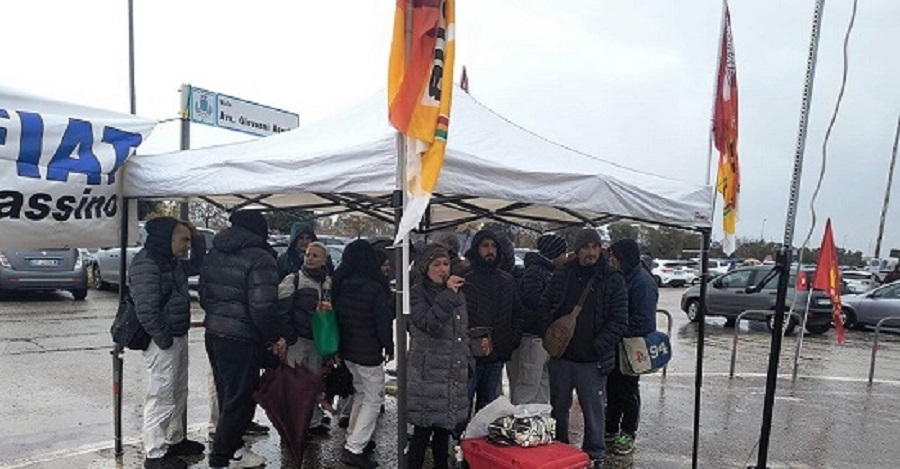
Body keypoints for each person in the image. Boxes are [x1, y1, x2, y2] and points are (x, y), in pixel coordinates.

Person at [201, 210, 287, 469]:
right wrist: (275, 337)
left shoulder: (213, 253)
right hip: (242, 337)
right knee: (240, 400)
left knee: (228, 395)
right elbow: (263, 307)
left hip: (214, 331)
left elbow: (204, 296)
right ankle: (219, 459)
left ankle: (235, 450)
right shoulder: (261, 257)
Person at [537, 229, 628, 467]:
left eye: (595, 247)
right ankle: (559, 449)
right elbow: (546, 304)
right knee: (558, 408)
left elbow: (619, 321)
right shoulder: (563, 274)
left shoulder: (612, 278)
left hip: (593, 360)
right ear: (577, 250)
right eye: (586, 247)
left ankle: (595, 454)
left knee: (594, 411)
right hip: (562, 357)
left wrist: (598, 346)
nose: (591, 252)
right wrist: (550, 332)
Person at [132, 217, 206, 469]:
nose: (187, 245)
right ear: (168, 238)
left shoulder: (170, 261)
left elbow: (197, 263)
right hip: (163, 339)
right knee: (160, 395)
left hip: (176, 335)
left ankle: (175, 440)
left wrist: (197, 238)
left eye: (188, 240)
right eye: (184, 239)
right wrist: (163, 339)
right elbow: (146, 309)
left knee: (177, 391)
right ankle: (155, 453)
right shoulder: (147, 263)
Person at [407, 244, 470, 469]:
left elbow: (461, 331)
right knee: (422, 432)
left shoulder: (456, 293)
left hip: (451, 372)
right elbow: (428, 323)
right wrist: (448, 295)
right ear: (425, 268)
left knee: (444, 431)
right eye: (436, 264)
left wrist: (469, 357)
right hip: (428, 375)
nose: (443, 269)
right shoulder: (416, 293)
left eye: (445, 263)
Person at [333, 240, 394, 469]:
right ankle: (355, 447)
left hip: (347, 348)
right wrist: (389, 345)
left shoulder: (341, 283)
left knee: (360, 392)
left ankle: (354, 437)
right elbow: (383, 322)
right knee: (373, 397)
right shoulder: (375, 287)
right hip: (368, 351)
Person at [605, 239, 659, 456]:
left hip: (632, 347)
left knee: (628, 391)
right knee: (613, 388)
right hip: (617, 345)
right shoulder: (623, 277)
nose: (611, 260)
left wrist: (615, 327)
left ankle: (628, 432)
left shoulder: (642, 282)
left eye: (614, 256)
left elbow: (644, 321)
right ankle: (610, 428)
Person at [462, 230, 523, 415]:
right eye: (485, 246)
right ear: (476, 249)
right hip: (470, 356)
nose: (490, 250)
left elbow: (517, 313)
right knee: (463, 405)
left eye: (493, 246)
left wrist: (512, 341)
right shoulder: (466, 281)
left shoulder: (507, 281)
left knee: (487, 409)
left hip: (496, 355)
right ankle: (457, 441)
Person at [277, 241, 333, 436]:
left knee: (313, 382)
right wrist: (289, 338)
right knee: (295, 385)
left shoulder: (327, 282)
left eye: (315, 255)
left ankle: (313, 422)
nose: (309, 258)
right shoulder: (292, 280)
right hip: (298, 340)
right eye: (308, 254)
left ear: (324, 260)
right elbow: (282, 312)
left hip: (318, 340)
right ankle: (292, 426)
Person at [508, 234, 568, 405]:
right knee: (528, 384)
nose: (565, 256)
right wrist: (553, 305)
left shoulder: (550, 271)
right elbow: (532, 299)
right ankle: (520, 423)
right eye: (563, 252)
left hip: (543, 336)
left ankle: (538, 422)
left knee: (542, 384)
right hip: (532, 336)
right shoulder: (536, 272)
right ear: (555, 253)